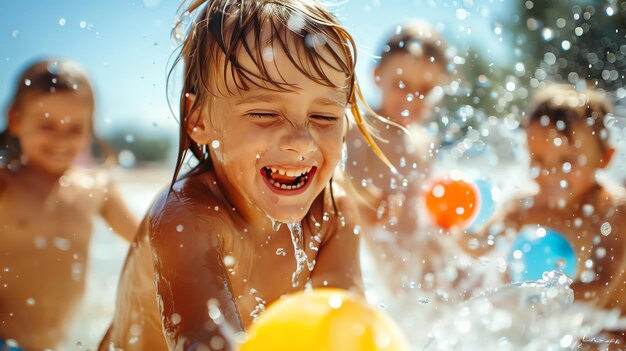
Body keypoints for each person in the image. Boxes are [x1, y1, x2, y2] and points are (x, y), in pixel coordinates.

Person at [98, 1, 394, 350]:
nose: (301, 141)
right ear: (199, 120)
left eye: (324, 117)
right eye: (264, 113)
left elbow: (343, 328)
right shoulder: (186, 218)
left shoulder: (332, 213)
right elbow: (202, 341)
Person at [459, 83, 626, 348]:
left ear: (605, 157)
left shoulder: (614, 211)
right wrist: (448, 225)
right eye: (538, 160)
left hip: (613, 328)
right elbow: (480, 245)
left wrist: (527, 297)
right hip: (559, 323)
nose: (550, 174)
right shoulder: (526, 205)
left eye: (567, 161)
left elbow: (598, 289)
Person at [0, 59, 138, 350]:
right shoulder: (7, 185)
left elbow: (147, 240)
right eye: (47, 124)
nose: (60, 138)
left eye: (75, 127)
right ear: (15, 120)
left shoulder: (96, 188)